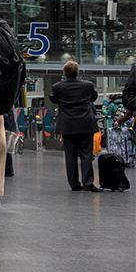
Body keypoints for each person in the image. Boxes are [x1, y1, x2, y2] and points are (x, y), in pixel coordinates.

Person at [50, 61, 102, 192]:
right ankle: (88, 183)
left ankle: (74, 184)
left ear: (64, 73)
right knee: (86, 154)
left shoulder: (57, 87)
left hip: (68, 126)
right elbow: (93, 97)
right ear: (77, 72)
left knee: (70, 155)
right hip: (85, 124)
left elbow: (54, 99)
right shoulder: (88, 85)